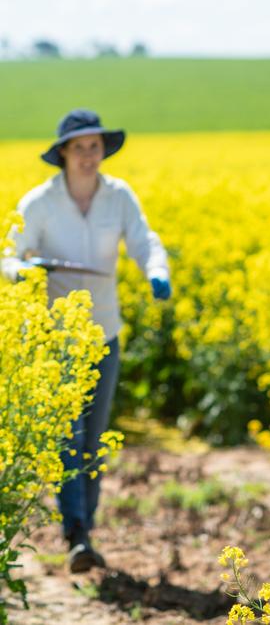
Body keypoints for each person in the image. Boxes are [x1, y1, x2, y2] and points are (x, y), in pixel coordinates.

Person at [2, 108, 171, 573]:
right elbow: (7, 256)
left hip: (105, 334)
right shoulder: (38, 202)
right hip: (54, 340)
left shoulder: (118, 196)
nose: (88, 155)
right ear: (62, 153)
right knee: (65, 438)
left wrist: (156, 270)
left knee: (92, 439)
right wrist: (23, 271)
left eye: (95, 146)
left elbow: (143, 240)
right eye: (80, 147)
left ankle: (86, 530)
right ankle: (75, 532)